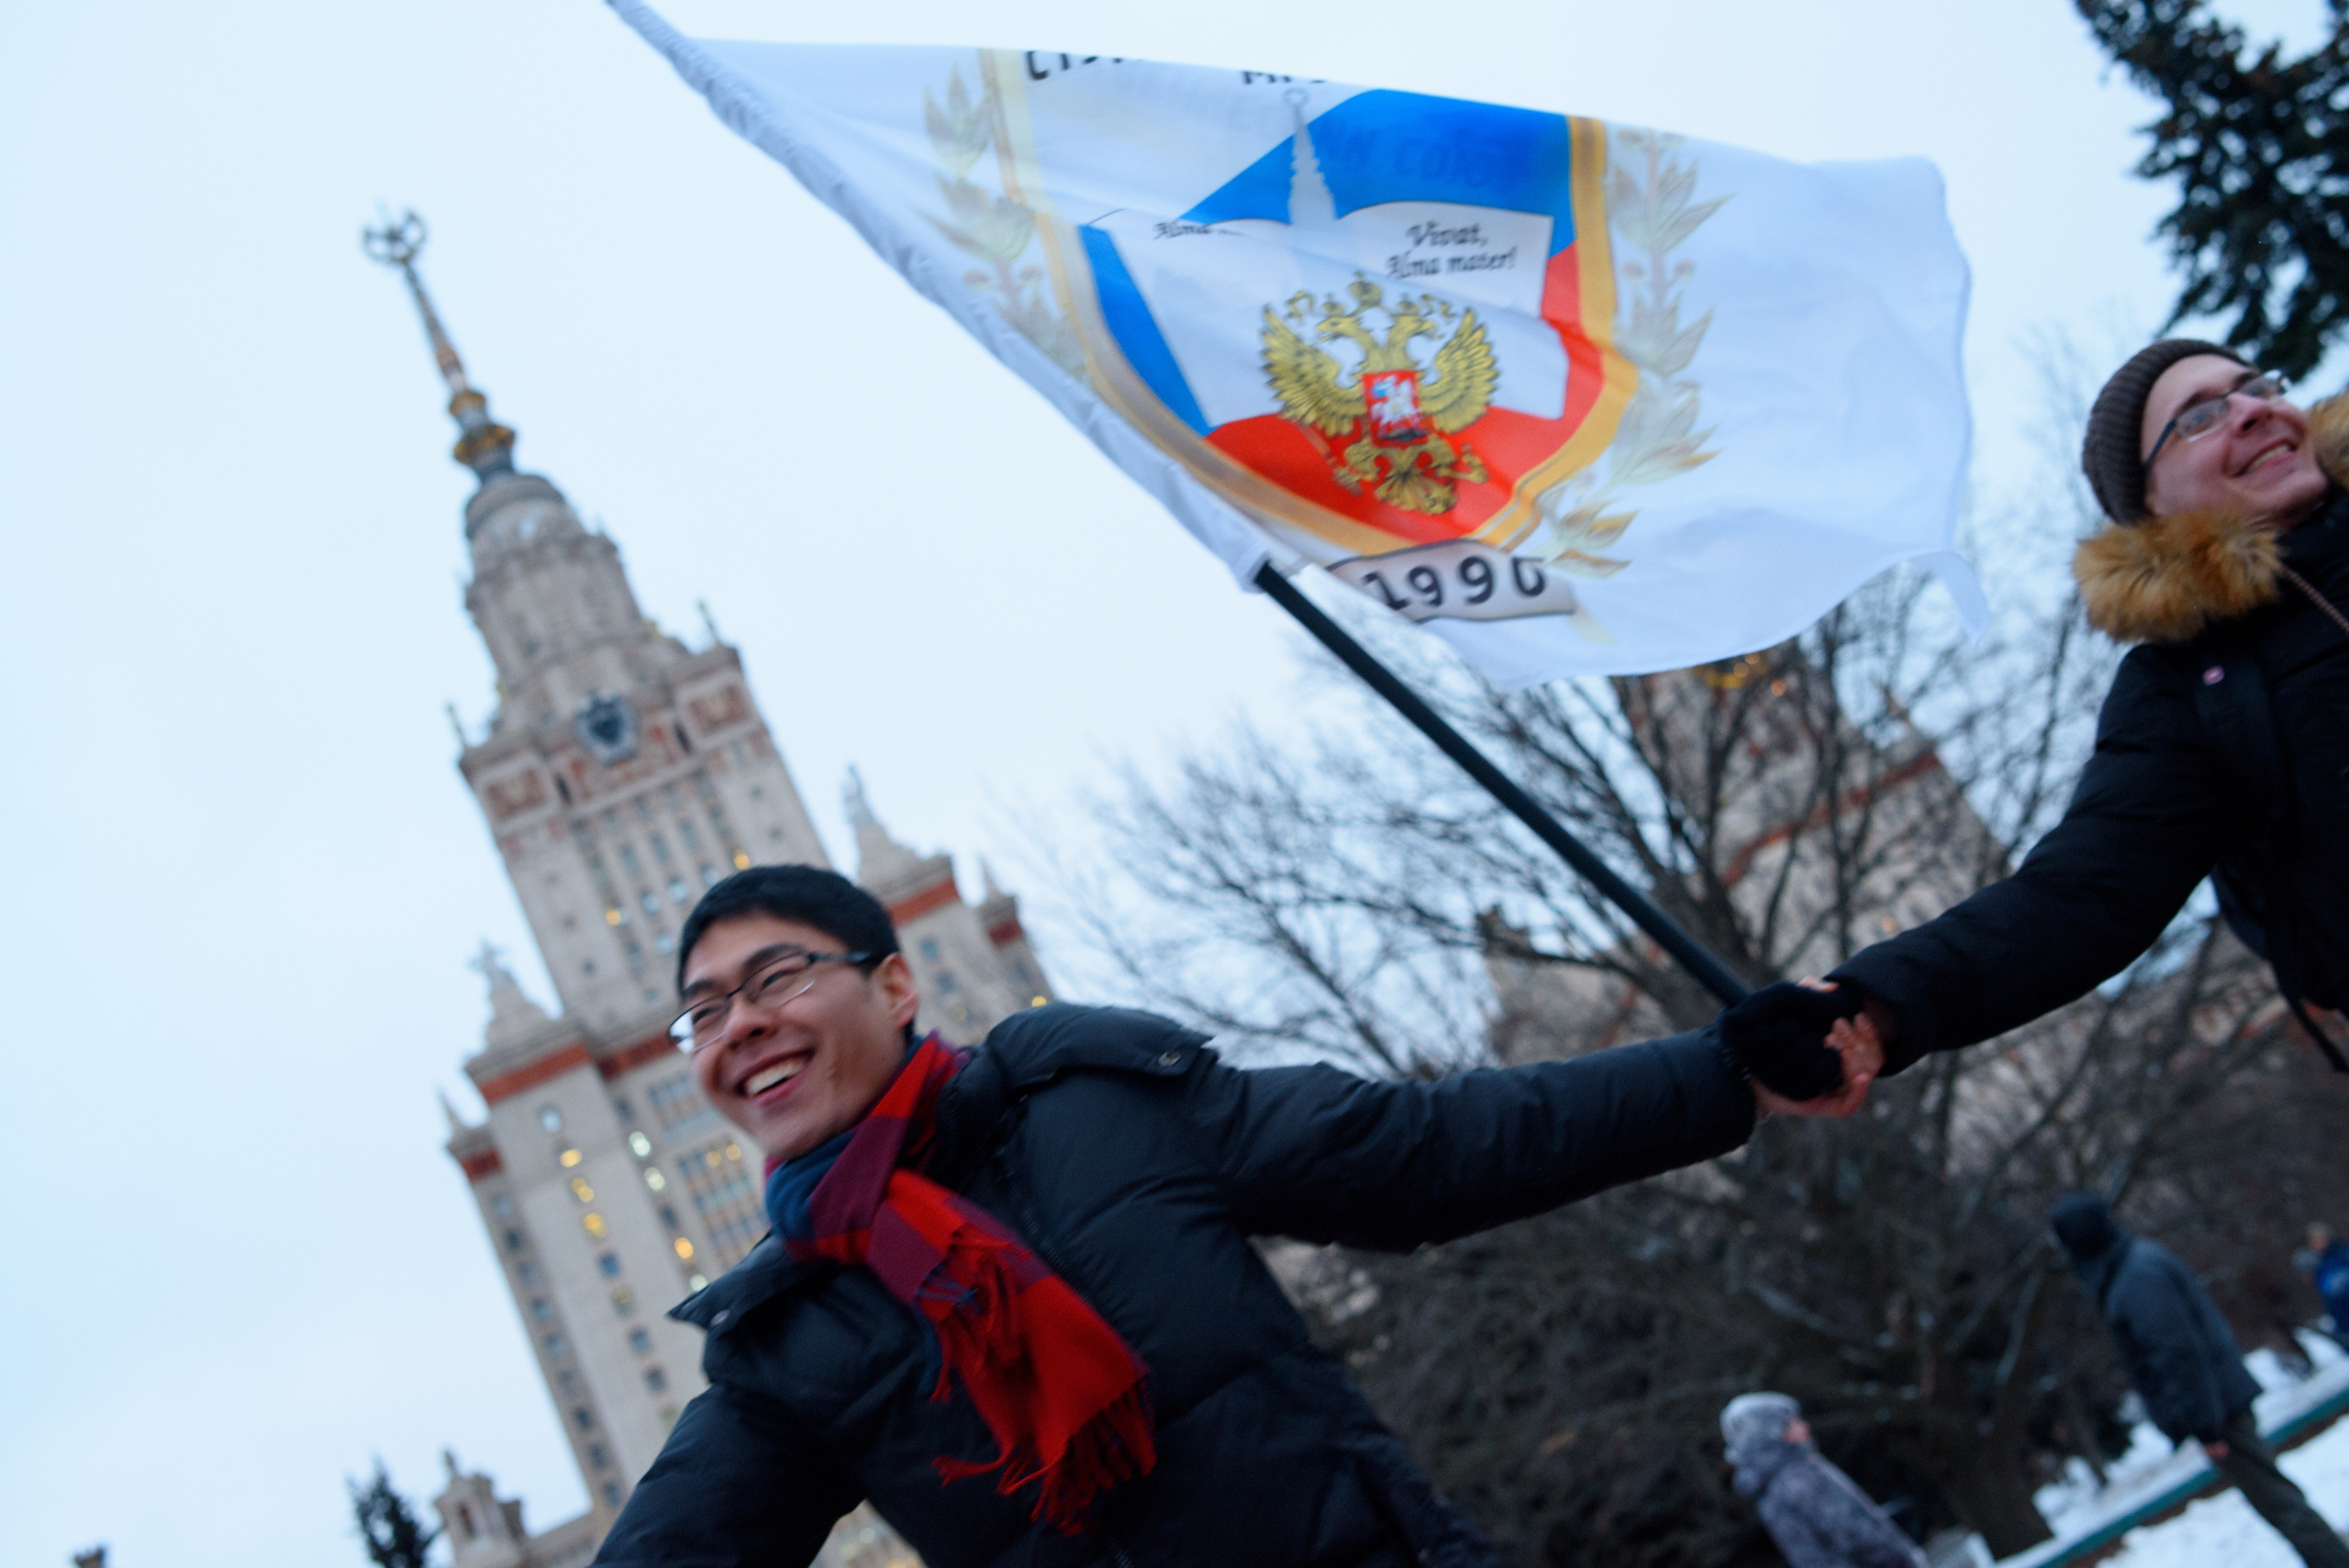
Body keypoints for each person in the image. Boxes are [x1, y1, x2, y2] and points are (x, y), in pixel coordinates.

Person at [589, 864, 1866, 1568]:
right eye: (703, 1013)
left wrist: (1719, 1074)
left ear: (898, 982)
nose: (738, 1024)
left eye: (774, 978)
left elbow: (1426, 1153)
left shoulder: (1090, 1102)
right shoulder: (780, 1339)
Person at [1726, 341, 2349, 1086]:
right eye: (2199, 417)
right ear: (2150, 503)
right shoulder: (2188, 690)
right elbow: (2076, 903)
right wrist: (1870, 1007)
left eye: (2256, 385)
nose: (2251, 409)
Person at [2050, 1195, 2349, 1568]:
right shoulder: (2135, 1266)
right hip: (2218, 1403)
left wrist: (2206, 1427)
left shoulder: (2135, 1276)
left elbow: (2178, 1354)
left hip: (2218, 1409)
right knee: (2277, 1500)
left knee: (2279, 1503)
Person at [1719, 1392, 1926, 1568]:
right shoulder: (1798, 1478)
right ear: (1773, 1432)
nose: (1804, 1427)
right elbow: (1853, 1532)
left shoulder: (1768, 1491)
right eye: (1792, 1422)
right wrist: (1904, 1559)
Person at [2297, 1222, 2349, 1340]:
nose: (2317, 1244)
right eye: (2314, 1241)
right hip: (2343, 1322)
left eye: (2320, 1239)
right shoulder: (2318, 1265)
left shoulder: (2343, 1255)